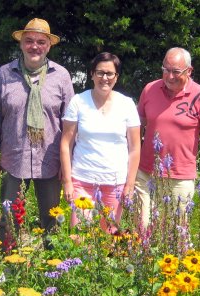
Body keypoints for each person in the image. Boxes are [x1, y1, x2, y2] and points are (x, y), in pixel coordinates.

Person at [0, 18, 74, 250]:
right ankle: (9, 266)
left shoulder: (61, 76)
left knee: (51, 219)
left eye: (41, 42)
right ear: (22, 44)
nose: (35, 46)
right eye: (29, 41)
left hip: (50, 159)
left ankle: (53, 268)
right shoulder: (3, 75)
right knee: (9, 218)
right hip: (14, 159)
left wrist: (68, 165)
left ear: (49, 46)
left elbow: (70, 125)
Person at [135, 47, 200, 228]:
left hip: (180, 177)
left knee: (175, 233)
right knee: (141, 229)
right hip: (145, 173)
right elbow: (137, 127)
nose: (170, 76)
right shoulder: (150, 89)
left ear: (189, 71)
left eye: (176, 71)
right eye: (166, 70)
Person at [60, 52, 141, 234]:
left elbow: (135, 148)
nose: (104, 78)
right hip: (82, 181)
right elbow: (66, 144)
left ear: (116, 77)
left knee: (110, 235)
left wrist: (129, 184)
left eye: (110, 74)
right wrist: (67, 181)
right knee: (79, 235)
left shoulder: (126, 104)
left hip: (115, 182)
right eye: (100, 73)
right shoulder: (78, 102)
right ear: (92, 74)